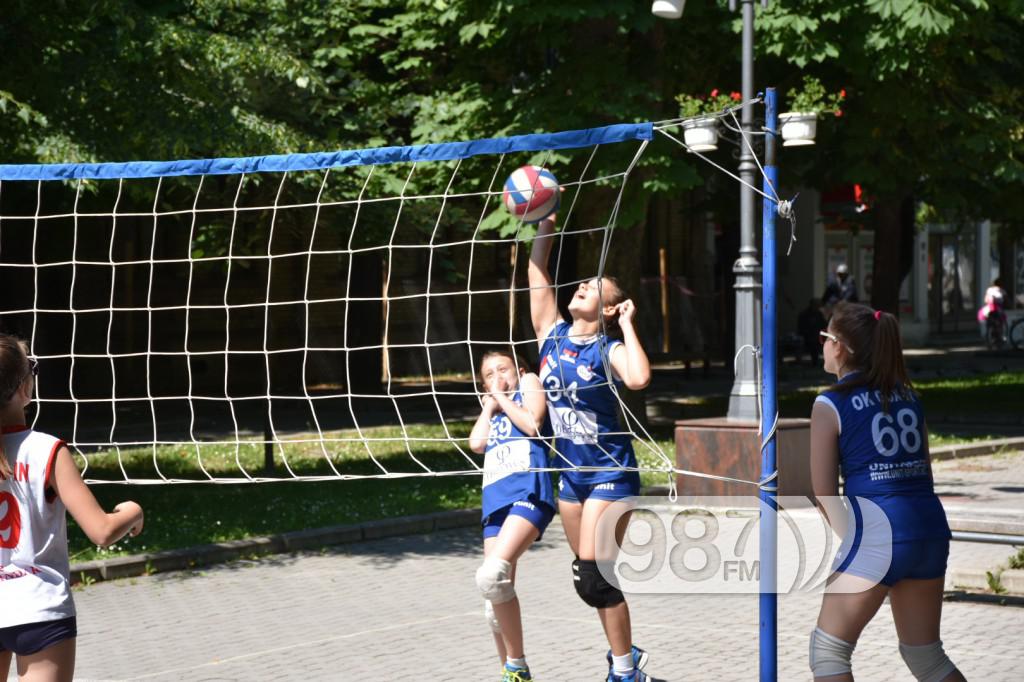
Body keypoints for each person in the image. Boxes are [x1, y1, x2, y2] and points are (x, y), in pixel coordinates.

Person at [808, 304, 965, 682]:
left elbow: (824, 493)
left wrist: (858, 544)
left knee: (828, 652)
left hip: (880, 533)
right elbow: (924, 472)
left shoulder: (830, 403)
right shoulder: (908, 396)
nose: (821, 345)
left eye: (824, 338)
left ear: (840, 347)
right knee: (926, 656)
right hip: (928, 529)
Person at [528, 215, 652, 682]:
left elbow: (638, 378)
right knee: (590, 581)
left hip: (611, 474)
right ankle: (626, 654)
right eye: (582, 282)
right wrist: (544, 230)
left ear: (608, 309)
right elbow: (538, 278)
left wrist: (628, 327)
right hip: (572, 477)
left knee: (596, 575)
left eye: (594, 286)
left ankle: (625, 670)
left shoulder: (607, 349)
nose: (581, 285)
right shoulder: (552, 335)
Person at [0, 334, 144, 682]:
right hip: (39, 608)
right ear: (24, 389)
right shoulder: (46, 450)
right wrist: (133, 512)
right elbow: (103, 531)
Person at [468, 349, 554, 682]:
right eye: (488, 375)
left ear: (518, 370)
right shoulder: (495, 407)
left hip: (527, 493)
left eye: (502, 369)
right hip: (496, 501)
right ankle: (509, 672)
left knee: (491, 575)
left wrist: (502, 398)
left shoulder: (527, 384)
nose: (496, 378)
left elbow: (533, 424)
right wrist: (490, 405)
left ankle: (517, 665)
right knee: (493, 596)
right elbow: (477, 443)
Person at [797, 299, 828, 366]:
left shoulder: (818, 314)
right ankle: (815, 361)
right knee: (813, 343)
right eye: (817, 305)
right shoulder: (804, 314)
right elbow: (802, 328)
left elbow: (823, 324)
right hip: (808, 336)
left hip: (818, 335)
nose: (818, 307)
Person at [977, 278, 1007, 344]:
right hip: (998, 310)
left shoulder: (989, 290)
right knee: (1001, 322)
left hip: (989, 309)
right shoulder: (1002, 290)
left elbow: (985, 300)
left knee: (990, 323)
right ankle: (1000, 336)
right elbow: (1005, 301)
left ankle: (989, 335)